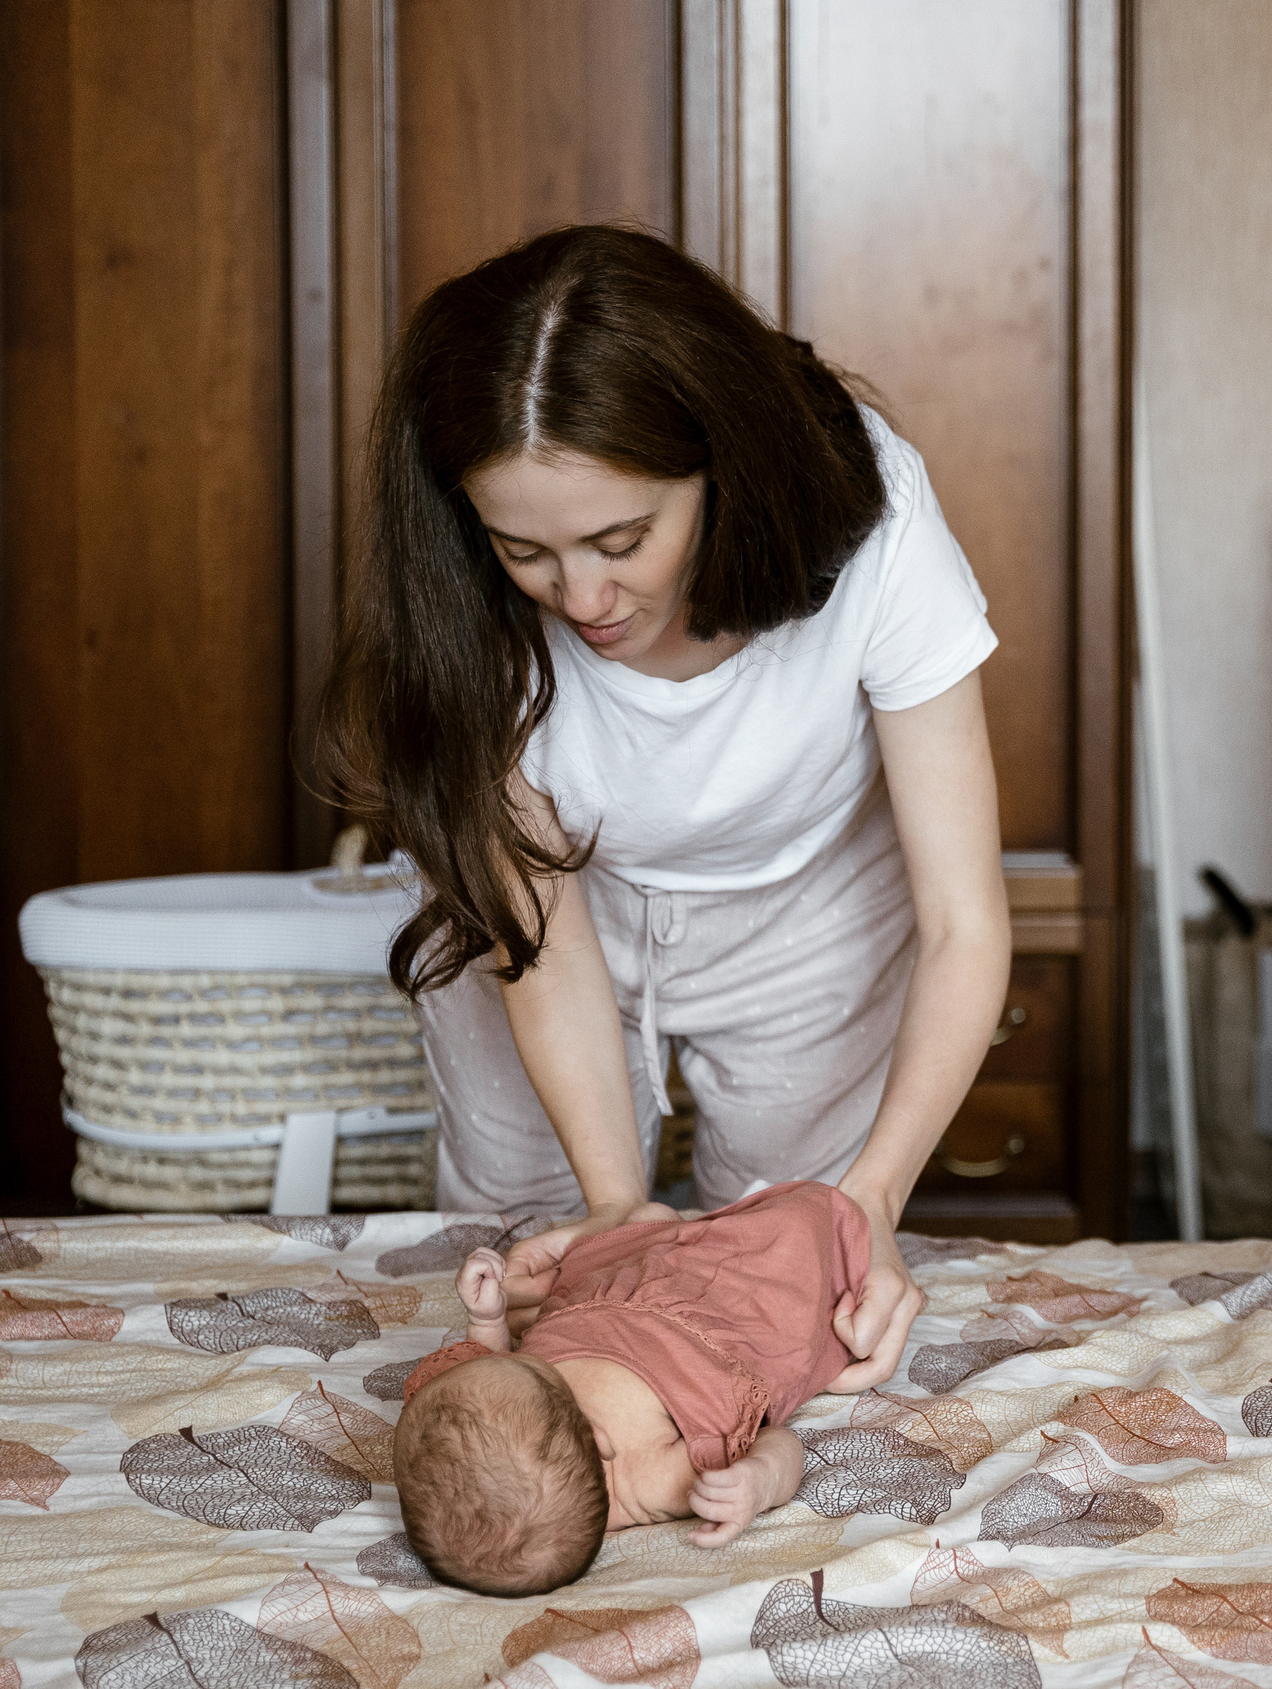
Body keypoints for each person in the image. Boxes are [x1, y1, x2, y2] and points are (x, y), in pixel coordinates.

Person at [319, 224, 1009, 1393]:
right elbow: (542, 942)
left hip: (810, 904)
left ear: (721, 465)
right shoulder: (461, 602)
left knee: (795, 1282)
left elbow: (964, 922)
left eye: (621, 540)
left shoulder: (874, 514)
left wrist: (869, 1202)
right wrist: (610, 1206)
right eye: (523, 549)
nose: (581, 596)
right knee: (535, 1271)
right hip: (564, 915)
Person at [393, 1180, 868, 1594]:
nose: (511, 1362)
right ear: (600, 1441)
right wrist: (761, 1480)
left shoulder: (523, 1432)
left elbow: (493, 1372)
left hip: (611, 1289)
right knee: (805, 1221)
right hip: (720, 1316)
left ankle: (660, 1230)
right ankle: (683, 1231)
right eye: (528, 1373)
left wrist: (487, 1319)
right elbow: (779, 1441)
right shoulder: (657, 1483)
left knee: (645, 1222)